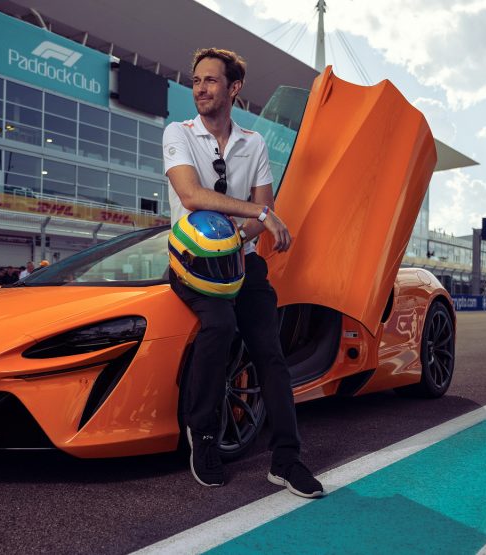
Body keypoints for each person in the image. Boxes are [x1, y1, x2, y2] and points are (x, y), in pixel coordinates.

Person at [162, 48, 322, 498]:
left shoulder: (253, 143)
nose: (200, 89)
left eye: (210, 81)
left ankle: (286, 459)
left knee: (270, 349)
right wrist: (256, 214)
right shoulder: (178, 133)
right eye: (196, 80)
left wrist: (245, 228)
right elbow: (191, 196)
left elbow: (262, 215)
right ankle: (204, 435)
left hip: (242, 259)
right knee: (219, 324)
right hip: (192, 261)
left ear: (233, 88)